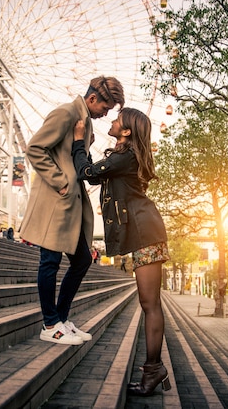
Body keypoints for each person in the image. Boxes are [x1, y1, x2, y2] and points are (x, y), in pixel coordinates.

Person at [72, 107, 171, 396]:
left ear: (126, 131)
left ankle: (154, 369)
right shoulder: (123, 157)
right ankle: (153, 369)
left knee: (150, 304)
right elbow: (93, 177)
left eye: (117, 121)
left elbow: (85, 172)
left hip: (146, 233)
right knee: (148, 303)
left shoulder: (124, 157)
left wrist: (80, 143)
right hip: (144, 231)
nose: (112, 122)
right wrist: (87, 148)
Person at [19, 76, 125, 346]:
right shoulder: (66, 113)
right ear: (92, 99)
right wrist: (61, 182)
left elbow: (78, 161)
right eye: (106, 107)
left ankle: (61, 319)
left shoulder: (84, 122)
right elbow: (34, 148)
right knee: (50, 261)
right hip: (57, 200)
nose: (106, 113)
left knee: (81, 261)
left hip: (72, 205)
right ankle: (49, 323)